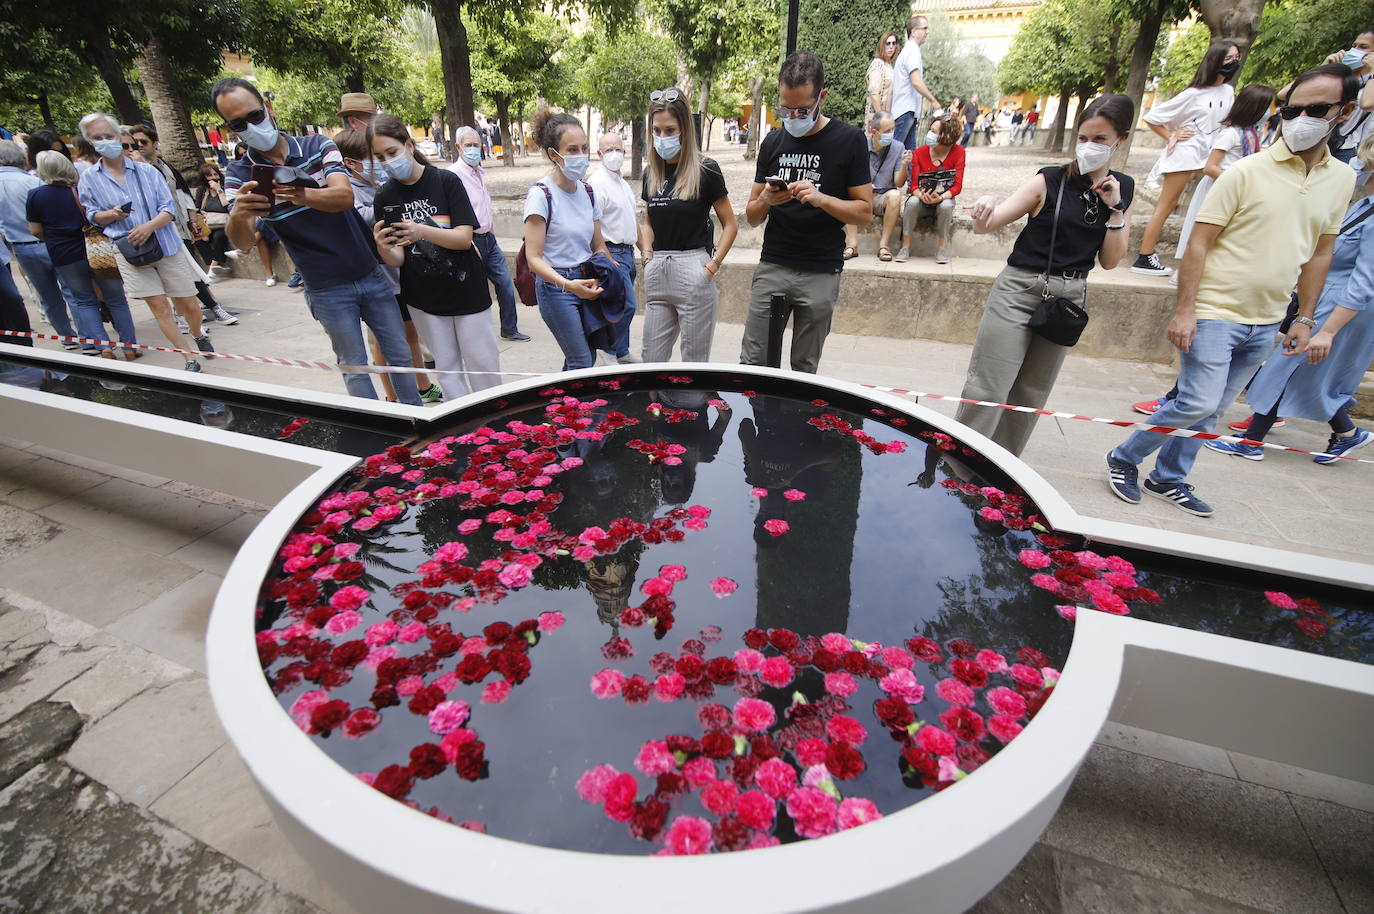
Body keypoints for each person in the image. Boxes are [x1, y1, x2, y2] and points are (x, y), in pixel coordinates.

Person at [1106, 65, 1357, 516]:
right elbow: (1198, 242)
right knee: (1197, 400)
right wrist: (1186, 311)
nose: (1301, 119)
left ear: (1346, 112)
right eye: (1292, 109)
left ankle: (1169, 477)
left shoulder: (1340, 179)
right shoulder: (1244, 172)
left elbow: (1321, 251)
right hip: (1215, 310)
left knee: (1213, 410)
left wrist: (1305, 317)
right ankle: (1124, 456)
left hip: (1267, 318)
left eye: (1316, 110)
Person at [213, 77, 421, 404]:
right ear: (230, 128)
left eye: (254, 116)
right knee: (354, 367)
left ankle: (417, 422)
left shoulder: (315, 146)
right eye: (238, 123)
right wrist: (238, 214)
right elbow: (243, 243)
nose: (250, 127)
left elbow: (343, 197)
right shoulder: (240, 174)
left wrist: (299, 194)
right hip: (325, 287)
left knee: (401, 359)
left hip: (369, 272)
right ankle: (376, 439)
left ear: (267, 109)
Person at [955, 94, 1137, 456]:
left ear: (1121, 138)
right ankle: (958, 468)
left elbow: (1112, 260)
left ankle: (1000, 475)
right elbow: (987, 225)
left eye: (1100, 139)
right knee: (989, 388)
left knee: (1030, 394)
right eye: (1083, 138)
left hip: (1069, 297)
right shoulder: (1050, 180)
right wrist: (984, 207)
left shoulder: (1122, 189)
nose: (1089, 146)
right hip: (1021, 288)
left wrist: (1115, 209)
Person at [1206, 151, 1374, 464]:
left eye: (1363, 162)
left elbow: (1365, 281)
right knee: (1304, 370)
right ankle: (1348, 433)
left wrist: (1328, 330)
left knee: (1287, 366)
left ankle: (1252, 441)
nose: (1357, 167)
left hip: (1344, 306)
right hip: (1328, 296)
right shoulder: (1365, 205)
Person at [740, 51, 872, 374]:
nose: (792, 116)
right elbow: (752, 215)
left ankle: (792, 424)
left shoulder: (850, 140)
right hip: (774, 262)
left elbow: (864, 213)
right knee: (752, 362)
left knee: (804, 368)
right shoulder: (773, 143)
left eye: (802, 109)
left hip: (821, 270)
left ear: (821, 98)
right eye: (785, 108)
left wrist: (820, 198)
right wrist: (769, 201)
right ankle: (754, 422)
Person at [370, 114, 502, 402]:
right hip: (423, 297)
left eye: (391, 152)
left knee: (483, 366)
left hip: (466, 289)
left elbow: (463, 238)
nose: (388, 161)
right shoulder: (384, 196)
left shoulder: (445, 181)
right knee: (447, 369)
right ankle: (463, 430)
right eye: (379, 157)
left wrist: (421, 231)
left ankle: (497, 425)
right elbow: (398, 259)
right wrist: (381, 247)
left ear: (407, 144)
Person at [76, 113, 213, 372]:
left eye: (109, 135)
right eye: (97, 137)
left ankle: (198, 335)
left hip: (165, 244)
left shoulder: (147, 171)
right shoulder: (90, 178)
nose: (105, 141)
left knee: (189, 304)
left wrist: (149, 226)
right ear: (90, 142)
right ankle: (189, 358)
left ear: (119, 137)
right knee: (160, 306)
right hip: (129, 250)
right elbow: (92, 214)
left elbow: (169, 208)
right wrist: (112, 214)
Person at [332, 127, 440, 403]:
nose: (381, 163)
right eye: (374, 157)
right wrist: (392, 205)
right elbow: (366, 218)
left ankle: (422, 385)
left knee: (409, 334)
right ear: (350, 163)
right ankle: (392, 397)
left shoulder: (377, 184)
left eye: (385, 154)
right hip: (378, 276)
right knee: (383, 339)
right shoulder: (347, 190)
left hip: (398, 272)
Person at [640, 88, 737, 363]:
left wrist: (713, 264)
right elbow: (648, 219)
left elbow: (730, 224)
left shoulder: (706, 169)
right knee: (650, 361)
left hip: (694, 268)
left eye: (669, 130)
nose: (662, 137)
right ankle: (657, 408)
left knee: (693, 364)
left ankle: (690, 408)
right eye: (656, 130)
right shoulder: (651, 173)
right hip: (658, 267)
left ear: (684, 129)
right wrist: (647, 255)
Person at [1131, 42, 1241, 277]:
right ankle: (1144, 256)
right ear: (1216, 61)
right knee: (1168, 204)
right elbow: (1153, 117)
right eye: (1228, 58)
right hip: (1186, 152)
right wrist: (1171, 135)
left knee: (1210, 203)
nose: (1233, 62)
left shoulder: (1229, 91)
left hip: (1213, 154)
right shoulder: (1193, 94)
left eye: (1236, 57)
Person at [521, 110, 614, 371]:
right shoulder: (541, 195)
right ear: (554, 154)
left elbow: (598, 245)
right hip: (556, 288)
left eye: (584, 148)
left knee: (585, 357)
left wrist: (613, 276)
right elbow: (533, 258)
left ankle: (562, 410)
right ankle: (571, 412)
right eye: (572, 149)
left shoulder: (587, 191)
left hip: (587, 280)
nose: (580, 155)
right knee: (581, 361)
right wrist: (568, 285)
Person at [26, 150, 139, 359]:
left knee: (84, 301)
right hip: (98, 250)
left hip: (63, 254)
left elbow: (35, 230)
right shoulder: (81, 188)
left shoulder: (36, 195)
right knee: (116, 299)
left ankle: (103, 346)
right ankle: (129, 346)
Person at [127, 123, 235, 326]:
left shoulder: (164, 167)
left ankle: (212, 308)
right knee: (170, 278)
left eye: (143, 142)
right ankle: (186, 316)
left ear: (154, 143)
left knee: (190, 270)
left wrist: (193, 220)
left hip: (175, 230)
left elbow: (182, 194)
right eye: (134, 143)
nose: (138, 146)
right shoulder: (133, 172)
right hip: (148, 236)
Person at [448, 126, 529, 342]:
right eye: (468, 146)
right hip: (469, 240)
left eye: (476, 145)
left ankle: (509, 329)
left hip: (488, 239)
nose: (474, 149)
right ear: (458, 147)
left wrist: (490, 231)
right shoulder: (452, 176)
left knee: (504, 283)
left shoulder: (480, 173)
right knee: (474, 290)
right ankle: (472, 335)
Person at [0, 139, 79, 347]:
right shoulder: (33, 182)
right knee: (72, 291)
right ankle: (88, 337)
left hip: (21, 248)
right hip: (50, 242)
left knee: (48, 296)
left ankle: (67, 337)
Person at [587, 130, 643, 363]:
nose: (614, 154)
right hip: (612, 251)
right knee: (626, 306)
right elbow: (592, 223)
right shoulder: (597, 183)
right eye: (608, 149)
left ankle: (622, 350)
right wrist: (605, 257)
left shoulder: (621, 183)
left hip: (627, 252)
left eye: (617, 149)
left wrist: (645, 249)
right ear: (600, 153)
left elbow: (632, 220)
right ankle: (608, 350)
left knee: (622, 306)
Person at [897, 113, 965, 265]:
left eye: (934, 131)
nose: (930, 134)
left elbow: (957, 186)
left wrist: (940, 197)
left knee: (947, 206)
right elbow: (913, 185)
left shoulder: (958, 152)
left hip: (943, 198)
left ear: (945, 135)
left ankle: (942, 247)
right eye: (930, 129)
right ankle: (905, 246)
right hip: (922, 199)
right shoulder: (920, 152)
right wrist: (921, 195)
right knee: (912, 202)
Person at [846, 111, 904, 262]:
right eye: (887, 131)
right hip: (862, 196)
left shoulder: (898, 147)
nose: (891, 134)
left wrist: (904, 165)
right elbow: (850, 175)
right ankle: (852, 245)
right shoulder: (860, 145)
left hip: (882, 197)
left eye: (893, 129)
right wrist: (864, 186)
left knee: (895, 195)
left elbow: (898, 183)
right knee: (848, 190)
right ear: (874, 132)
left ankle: (884, 246)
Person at [1319, 28, 1374, 164]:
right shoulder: (1340, 75)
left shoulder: (1371, 81)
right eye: (1354, 45)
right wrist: (1323, 69)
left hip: (1343, 150)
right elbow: (1286, 94)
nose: (1355, 50)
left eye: (1363, 47)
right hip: (1317, 140)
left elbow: (1367, 103)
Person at [892, 17, 940, 152]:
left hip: (908, 111)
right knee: (895, 155)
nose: (927, 32)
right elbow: (916, 81)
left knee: (908, 156)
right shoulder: (912, 51)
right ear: (913, 31)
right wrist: (933, 101)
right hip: (905, 110)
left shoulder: (910, 51)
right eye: (924, 28)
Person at [194, 162, 233, 277]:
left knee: (219, 236)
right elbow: (198, 209)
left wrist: (219, 190)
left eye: (215, 174)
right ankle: (217, 262)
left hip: (224, 222)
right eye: (209, 175)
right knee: (199, 239)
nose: (213, 178)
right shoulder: (202, 191)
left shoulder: (225, 187)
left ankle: (212, 267)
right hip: (208, 222)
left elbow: (228, 207)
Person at [865, 32, 900, 131]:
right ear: (882, 45)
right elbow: (874, 92)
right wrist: (881, 117)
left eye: (894, 43)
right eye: (888, 43)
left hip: (887, 115)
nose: (891, 47)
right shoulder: (878, 64)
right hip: (878, 116)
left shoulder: (889, 66)